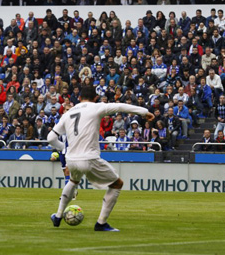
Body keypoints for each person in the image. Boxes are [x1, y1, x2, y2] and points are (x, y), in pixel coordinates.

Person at [48, 87, 154, 231]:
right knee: (117, 184)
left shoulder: (68, 113)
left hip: (71, 160)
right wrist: (144, 112)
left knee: (73, 180)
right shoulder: (96, 107)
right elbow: (120, 106)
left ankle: (58, 215)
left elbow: (51, 138)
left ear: (79, 98)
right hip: (88, 158)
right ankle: (101, 223)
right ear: (96, 98)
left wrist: (65, 150)